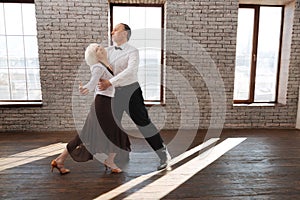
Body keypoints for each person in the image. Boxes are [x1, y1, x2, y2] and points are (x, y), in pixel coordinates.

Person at [96, 23, 171, 170]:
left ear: (125, 33)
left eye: (116, 29)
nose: (112, 32)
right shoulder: (108, 51)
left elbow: (130, 71)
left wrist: (109, 82)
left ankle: (164, 155)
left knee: (144, 123)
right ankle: (117, 156)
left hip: (131, 92)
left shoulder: (133, 51)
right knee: (113, 124)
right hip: (114, 93)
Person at [51, 43, 131, 174]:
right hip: (101, 104)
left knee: (84, 135)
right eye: (97, 49)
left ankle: (59, 160)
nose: (100, 48)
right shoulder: (98, 67)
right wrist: (85, 88)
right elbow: (93, 82)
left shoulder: (107, 65)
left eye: (99, 46)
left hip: (106, 103)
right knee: (117, 132)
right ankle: (110, 161)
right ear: (95, 55)